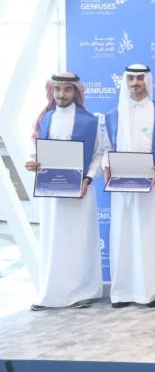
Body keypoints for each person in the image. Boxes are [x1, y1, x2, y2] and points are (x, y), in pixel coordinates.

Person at [24, 73, 106, 310]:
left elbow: (99, 154)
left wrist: (88, 179)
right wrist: (33, 162)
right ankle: (51, 293)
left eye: (67, 89)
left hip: (80, 191)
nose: (61, 94)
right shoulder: (44, 118)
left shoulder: (90, 122)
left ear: (76, 92)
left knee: (79, 240)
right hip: (51, 193)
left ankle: (83, 292)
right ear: (52, 91)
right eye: (57, 89)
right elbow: (37, 150)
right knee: (53, 241)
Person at [101, 64, 155, 308]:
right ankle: (122, 292)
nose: (135, 83)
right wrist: (106, 166)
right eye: (131, 78)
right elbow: (106, 148)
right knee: (123, 238)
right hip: (121, 188)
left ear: (147, 81)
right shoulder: (113, 116)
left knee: (152, 237)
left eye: (140, 78)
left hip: (153, 187)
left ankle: (153, 292)